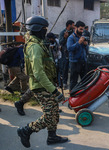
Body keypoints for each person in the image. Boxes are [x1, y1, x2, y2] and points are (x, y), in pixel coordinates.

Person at [17, 16, 68, 148]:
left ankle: (52, 137)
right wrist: (54, 91)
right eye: (44, 29)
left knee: (54, 112)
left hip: (46, 85)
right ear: (37, 29)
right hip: (41, 87)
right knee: (50, 116)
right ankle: (26, 130)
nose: (46, 32)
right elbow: (38, 73)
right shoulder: (35, 47)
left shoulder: (39, 43)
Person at [67, 21, 89, 91]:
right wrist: (78, 43)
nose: (82, 31)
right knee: (73, 81)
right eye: (80, 29)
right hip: (75, 62)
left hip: (83, 62)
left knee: (85, 81)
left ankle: (84, 96)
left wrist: (86, 45)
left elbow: (87, 50)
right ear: (75, 28)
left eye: (83, 29)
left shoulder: (83, 37)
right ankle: (73, 97)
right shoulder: (71, 38)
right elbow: (69, 48)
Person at [59, 20, 75, 89]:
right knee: (65, 69)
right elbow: (61, 42)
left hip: (72, 53)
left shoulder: (73, 33)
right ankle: (64, 83)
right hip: (65, 54)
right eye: (73, 25)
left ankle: (72, 83)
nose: (73, 26)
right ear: (69, 25)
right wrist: (65, 37)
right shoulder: (63, 32)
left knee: (72, 69)